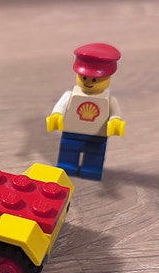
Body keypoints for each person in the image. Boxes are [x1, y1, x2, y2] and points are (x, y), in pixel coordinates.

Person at [46, 43, 125, 180]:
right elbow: (60, 106)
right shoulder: (70, 95)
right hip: (71, 132)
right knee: (68, 151)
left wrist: (115, 120)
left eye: (94, 79)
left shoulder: (109, 100)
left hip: (97, 135)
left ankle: (91, 169)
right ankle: (67, 166)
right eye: (84, 77)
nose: (88, 82)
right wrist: (56, 115)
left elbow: (115, 113)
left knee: (94, 154)